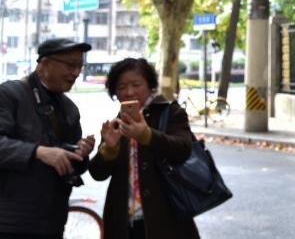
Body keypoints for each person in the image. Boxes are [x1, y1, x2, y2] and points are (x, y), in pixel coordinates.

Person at [89, 58, 199, 239]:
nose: (129, 91)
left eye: (136, 84)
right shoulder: (117, 123)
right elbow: (97, 174)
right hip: (123, 224)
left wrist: (147, 136)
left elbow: (183, 149)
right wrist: (108, 149)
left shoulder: (171, 112)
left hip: (166, 221)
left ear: (150, 85)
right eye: (122, 87)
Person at [0, 38, 95, 239]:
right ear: (44, 64)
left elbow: (72, 164)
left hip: (53, 220)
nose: (76, 73)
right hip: (10, 222)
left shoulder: (70, 108)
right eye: (70, 65)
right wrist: (38, 152)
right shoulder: (9, 94)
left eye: (80, 66)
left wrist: (80, 153)